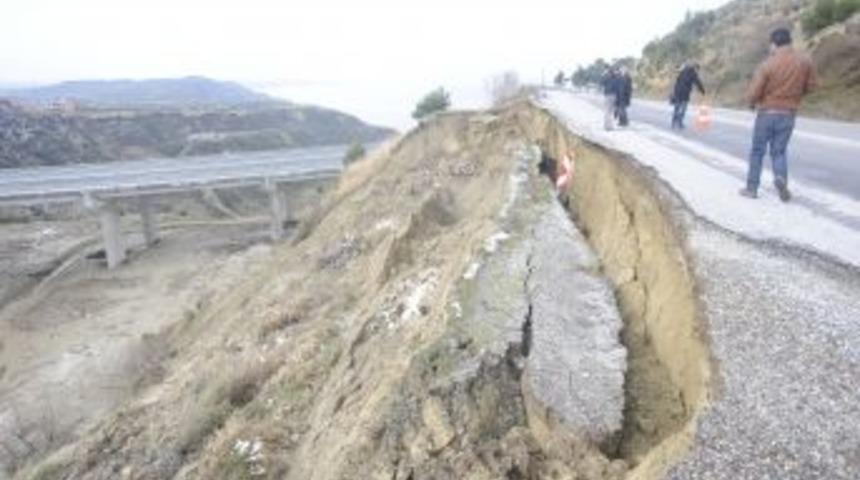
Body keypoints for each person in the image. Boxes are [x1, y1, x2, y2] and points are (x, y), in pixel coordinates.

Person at [740, 28, 817, 202]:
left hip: (767, 112)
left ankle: (752, 188)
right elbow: (812, 86)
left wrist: (752, 103)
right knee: (779, 151)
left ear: (774, 44)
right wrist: (796, 95)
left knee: (757, 151)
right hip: (789, 113)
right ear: (790, 42)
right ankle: (780, 178)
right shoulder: (805, 61)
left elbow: (755, 91)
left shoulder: (768, 64)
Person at [670, 62, 705, 130]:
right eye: (697, 70)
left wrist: (674, 92)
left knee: (677, 108)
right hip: (685, 94)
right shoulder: (693, 74)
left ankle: (674, 122)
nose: (697, 72)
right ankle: (679, 123)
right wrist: (702, 91)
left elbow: (677, 82)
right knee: (683, 109)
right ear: (696, 68)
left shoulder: (682, 71)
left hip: (677, 92)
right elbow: (698, 82)